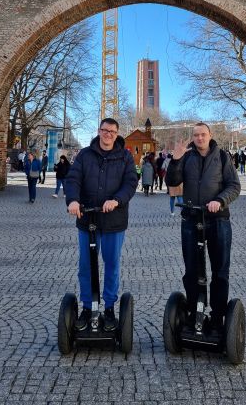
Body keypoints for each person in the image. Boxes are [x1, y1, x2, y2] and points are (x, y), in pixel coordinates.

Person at [165, 122, 240, 335]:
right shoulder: (186, 156)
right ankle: (194, 311)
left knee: (220, 271)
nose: (199, 138)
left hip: (218, 220)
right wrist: (176, 159)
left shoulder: (223, 157)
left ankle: (217, 317)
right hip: (191, 218)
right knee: (192, 271)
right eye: (196, 135)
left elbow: (234, 186)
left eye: (203, 134)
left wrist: (220, 200)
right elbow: (171, 181)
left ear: (210, 135)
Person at [65, 118, 137, 332]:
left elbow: (131, 183)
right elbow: (73, 179)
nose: (108, 134)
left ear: (117, 134)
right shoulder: (85, 155)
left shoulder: (125, 157)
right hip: (87, 219)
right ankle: (87, 307)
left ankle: (109, 308)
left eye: (112, 132)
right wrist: (73, 200)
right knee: (86, 266)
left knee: (112, 265)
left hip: (114, 221)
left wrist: (117, 200)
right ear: (99, 131)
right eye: (105, 130)